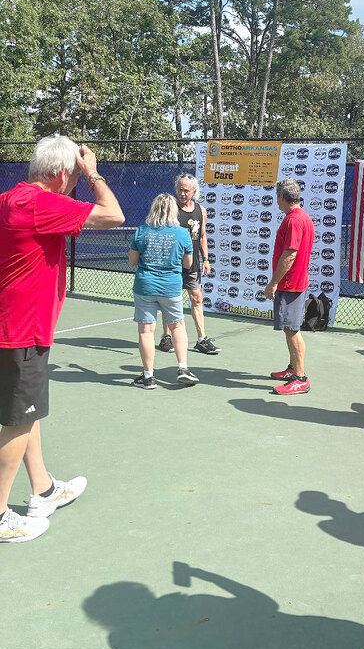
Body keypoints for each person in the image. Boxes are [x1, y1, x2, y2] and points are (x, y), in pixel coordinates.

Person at [0, 136, 124, 543]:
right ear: (61, 174)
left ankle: (44, 490)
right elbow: (114, 215)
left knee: (27, 412)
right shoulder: (42, 203)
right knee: (17, 422)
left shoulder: (8, 199)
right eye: (72, 177)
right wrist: (93, 173)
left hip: (13, 328)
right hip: (23, 332)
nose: (73, 186)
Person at [129, 193, 198, 389]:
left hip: (145, 285)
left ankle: (148, 376)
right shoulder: (182, 233)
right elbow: (188, 263)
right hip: (171, 287)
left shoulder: (142, 231)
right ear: (174, 211)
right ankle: (183, 368)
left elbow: (133, 261)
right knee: (177, 326)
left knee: (146, 330)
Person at [158, 173, 220, 356]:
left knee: (196, 298)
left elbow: (202, 236)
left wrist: (206, 259)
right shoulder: (171, 209)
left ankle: (201, 339)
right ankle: (166, 338)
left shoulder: (201, 210)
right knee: (170, 300)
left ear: (194, 191)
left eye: (186, 190)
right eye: (179, 190)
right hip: (172, 264)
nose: (182, 193)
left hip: (192, 264)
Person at [266, 179, 315, 395]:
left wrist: (274, 282)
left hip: (291, 284)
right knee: (290, 329)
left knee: (292, 330)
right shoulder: (300, 217)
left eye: (277, 197)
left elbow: (290, 254)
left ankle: (300, 378)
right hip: (294, 283)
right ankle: (292, 368)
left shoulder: (294, 221)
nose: (276, 201)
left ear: (281, 197)